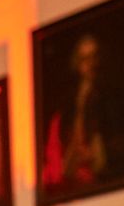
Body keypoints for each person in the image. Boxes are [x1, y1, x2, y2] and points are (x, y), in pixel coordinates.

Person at [41, 32, 112, 192]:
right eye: (85, 59)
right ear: (78, 63)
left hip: (95, 170)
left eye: (94, 57)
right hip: (72, 170)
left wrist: (96, 152)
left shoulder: (107, 95)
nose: (91, 64)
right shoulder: (71, 99)